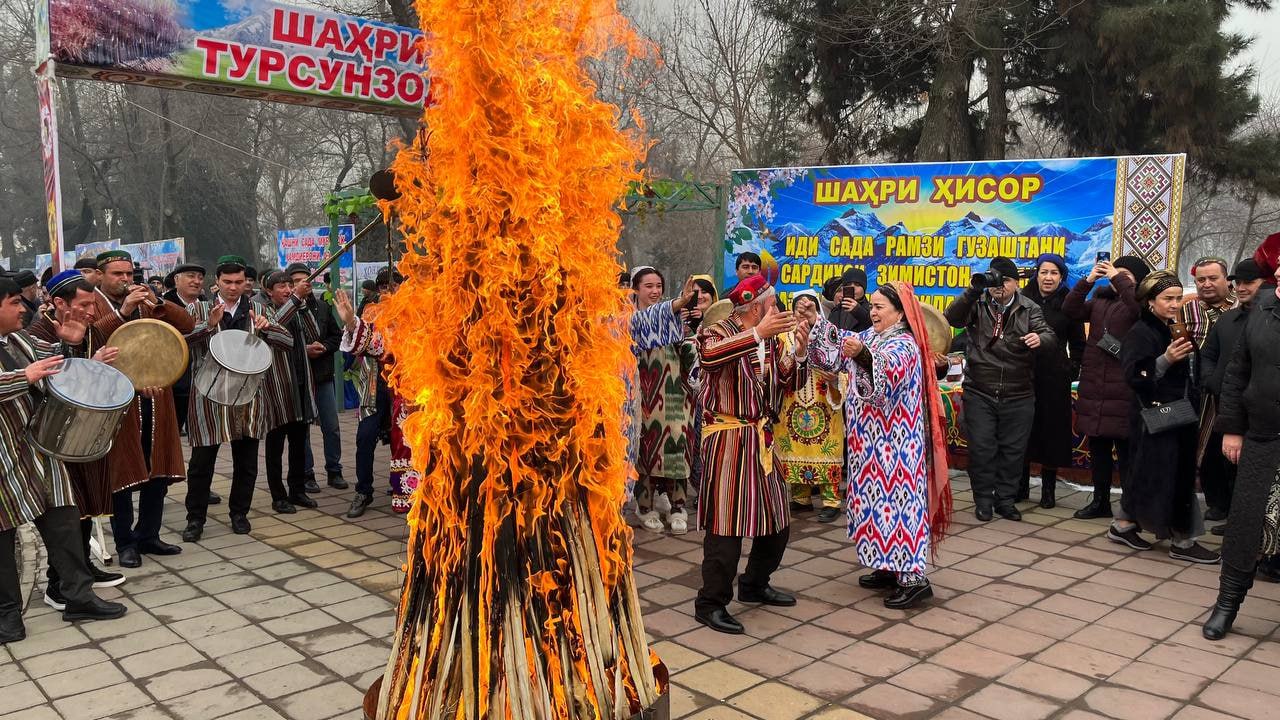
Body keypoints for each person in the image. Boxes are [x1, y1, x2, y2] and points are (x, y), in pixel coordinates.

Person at [809, 281, 952, 607]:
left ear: (900, 313)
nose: (872, 312)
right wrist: (816, 322)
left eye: (879, 307)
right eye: (871, 306)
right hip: (869, 447)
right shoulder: (872, 337)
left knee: (900, 511)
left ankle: (914, 580)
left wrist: (861, 355)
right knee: (873, 507)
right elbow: (840, 346)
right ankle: (888, 567)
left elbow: (885, 368)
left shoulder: (905, 345)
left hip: (897, 451)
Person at [0, 275, 127, 642]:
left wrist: (71, 347)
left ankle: (78, 597)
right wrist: (24, 376)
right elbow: (29, 375)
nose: (21, 309)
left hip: (37, 449)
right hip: (3, 456)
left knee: (65, 520)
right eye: (13, 303)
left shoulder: (19, 340)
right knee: (2, 538)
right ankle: (7, 615)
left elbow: (53, 366)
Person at [693, 274, 801, 634]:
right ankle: (710, 603)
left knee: (777, 521)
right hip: (727, 439)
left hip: (761, 438)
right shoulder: (716, 331)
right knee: (726, 526)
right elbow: (709, 358)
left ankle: (754, 584)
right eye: (773, 302)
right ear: (756, 307)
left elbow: (786, 382)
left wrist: (800, 352)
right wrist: (756, 334)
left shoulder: (771, 340)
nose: (779, 307)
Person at [90, 250, 193, 568]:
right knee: (122, 470)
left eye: (129, 274)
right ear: (100, 275)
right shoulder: (91, 303)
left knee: (157, 468)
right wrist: (123, 312)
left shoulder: (146, 302)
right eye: (117, 274)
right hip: (116, 400)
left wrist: (157, 300)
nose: (125, 280)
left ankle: (149, 534)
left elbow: (187, 324)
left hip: (156, 394)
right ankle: (125, 543)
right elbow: (91, 338)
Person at [27, 271, 126, 599]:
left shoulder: (86, 328)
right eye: (84, 304)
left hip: (81, 431)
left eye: (93, 304)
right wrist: (89, 362)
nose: (91, 311)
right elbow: (52, 383)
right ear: (59, 303)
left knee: (83, 506)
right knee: (63, 512)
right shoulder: (38, 332)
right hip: (53, 437)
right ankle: (58, 584)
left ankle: (83, 566)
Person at [1112, 270, 1219, 563]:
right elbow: (1134, 376)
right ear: (1150, 301)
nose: (1174, 304)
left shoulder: (1171, 327)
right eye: (1167, 298)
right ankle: (1182, 540)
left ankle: (1123, 524)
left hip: (1177, 414)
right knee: (1172, 476)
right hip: (1157, 416)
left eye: (1177, 298)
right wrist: (1166, 359)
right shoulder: (1141, 332)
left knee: (1150, 472)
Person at [182, 255, 292, 540]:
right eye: (227, 281)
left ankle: (239, 513)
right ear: (217, 282)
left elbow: (287, 342)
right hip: (208, 397)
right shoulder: (198, 308)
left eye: (239, 282)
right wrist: (207, 326)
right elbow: (180, 342)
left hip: (249, 396)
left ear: (246, 283)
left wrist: (269, 328)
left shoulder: (259, 309)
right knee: (201, 463)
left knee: (246, 462)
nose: (233, 287)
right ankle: (195, 519)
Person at [944, 256, 1056, 521]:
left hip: (1019, 392)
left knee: (1013, 452)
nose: (998, 285)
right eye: (993, 279)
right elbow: (952, 318)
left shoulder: (1029, 308)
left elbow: (1050, 336)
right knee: (982, 449)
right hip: (980, 390)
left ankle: (1005, 501)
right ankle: (983, 500)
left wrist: (1039, 338)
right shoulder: (978, 303)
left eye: (1004, 280)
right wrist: (973, 290)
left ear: (1016, 283)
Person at [1203, 259, 1280, 639]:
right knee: (1245, 526)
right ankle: (1227, 605)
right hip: (1262, 436)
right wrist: (1232, 429)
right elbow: (1236, 373)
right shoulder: (1261, 311)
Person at [1063, 255, 1149, 519]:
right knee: (1098, 450)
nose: (1115, 277)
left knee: (1126, 453)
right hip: (1095, 388)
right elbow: (1070, 309)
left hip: (1124, 390)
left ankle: (1131, 507)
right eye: (1113, 272)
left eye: (1125, 275)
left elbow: (1138, 309)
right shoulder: (1099, 301)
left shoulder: (1140, 304)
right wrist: (1089, 280)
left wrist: (1117, 277)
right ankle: (1100, 502)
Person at [334, 286, 420, 515]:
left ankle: (404, 489)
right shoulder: (374, 323)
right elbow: (373, 344)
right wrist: (351, 322)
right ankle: (363, 491)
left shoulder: (412, 325)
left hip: (403, 393)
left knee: (403, 440)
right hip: (374, 390)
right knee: (365, 437)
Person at [1199, 258, 1266, 532]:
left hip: (1262, 409)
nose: (1241, 287)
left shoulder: (1270, 320)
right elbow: (1208, 355)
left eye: (1249, 282)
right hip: (1224, 404)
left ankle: (1245, 523)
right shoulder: (1228, 320)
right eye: (1238, 282)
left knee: (1251, 469)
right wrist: (1211, 380)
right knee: (1222, 460)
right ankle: (1227, 511)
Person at [630, 267, 698, 534]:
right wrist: (680, 302)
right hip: (642, 397)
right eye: (648, 286)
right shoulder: (629, 319)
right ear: (635, 289)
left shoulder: (673, 317)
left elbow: (688, 349)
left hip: (674, 393)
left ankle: (677, 505)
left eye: (658, 286)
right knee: (645, 449)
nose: (655, 291)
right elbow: (646, 320)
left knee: (677, 444)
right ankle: (645, 506)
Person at [1019, 253, 1085, 508]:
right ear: (1037, 274)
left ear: (1061, 277)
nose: (1048, 277)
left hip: (1055, 377)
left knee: (1052, 432)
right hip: (1023, 374)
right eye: (1044, 272)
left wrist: (1072, 369)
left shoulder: (1069, 303)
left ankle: (1048, 490)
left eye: (1054, 273)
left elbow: (1078, 343)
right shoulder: (1022, 299)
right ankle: (1020, 486)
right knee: (1022, 430)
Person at [776, 291, 846, 524]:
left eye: (809, 307)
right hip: (792, 402)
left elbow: (840, 365)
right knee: (795, 448)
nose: (804, 311)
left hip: (824, 403)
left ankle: (831, 502)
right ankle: (801, 498)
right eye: (799, 307)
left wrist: (835, 379)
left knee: (825, 448)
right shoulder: (783, 337)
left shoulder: (828, 334)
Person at [259, 270, 321, 514]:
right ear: (269, 291)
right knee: (275, 446)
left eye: (290, 285)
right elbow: (275, 327)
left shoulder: (296, 307)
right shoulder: (263, 310)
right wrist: (296, 299)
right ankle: (278, 495)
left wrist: (302, 305)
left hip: (300, 385)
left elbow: (315, 334)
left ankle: (297, 490)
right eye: (281, 286)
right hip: (277, 387)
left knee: (299, 443)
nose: (287, 290)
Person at [287, 264, 347, 492]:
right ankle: (307, 473)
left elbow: (336, 336)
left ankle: (334, 470)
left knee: (331, 426)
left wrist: (325, 347)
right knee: (302, 430)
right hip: (299, 379)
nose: (303, 284)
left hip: (323, 375)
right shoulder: (285, 309)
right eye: (296, 281)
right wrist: (304, 350)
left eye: (307, 279)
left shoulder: (322, 307)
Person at [1181, 257, 1233, 348]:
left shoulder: (1243, 304)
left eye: (1213, 278)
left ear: (1228, 280)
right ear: (1195, 282)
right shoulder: (1186, 307)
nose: (1207, 284)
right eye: (1201, 280)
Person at [827, 267, 872, 332]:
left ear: (864, 288)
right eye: (848, 284)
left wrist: (858, 311)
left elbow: (875, 326)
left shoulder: (872, 309)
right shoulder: (837, 310)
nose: (852, 287)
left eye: (857, 284)